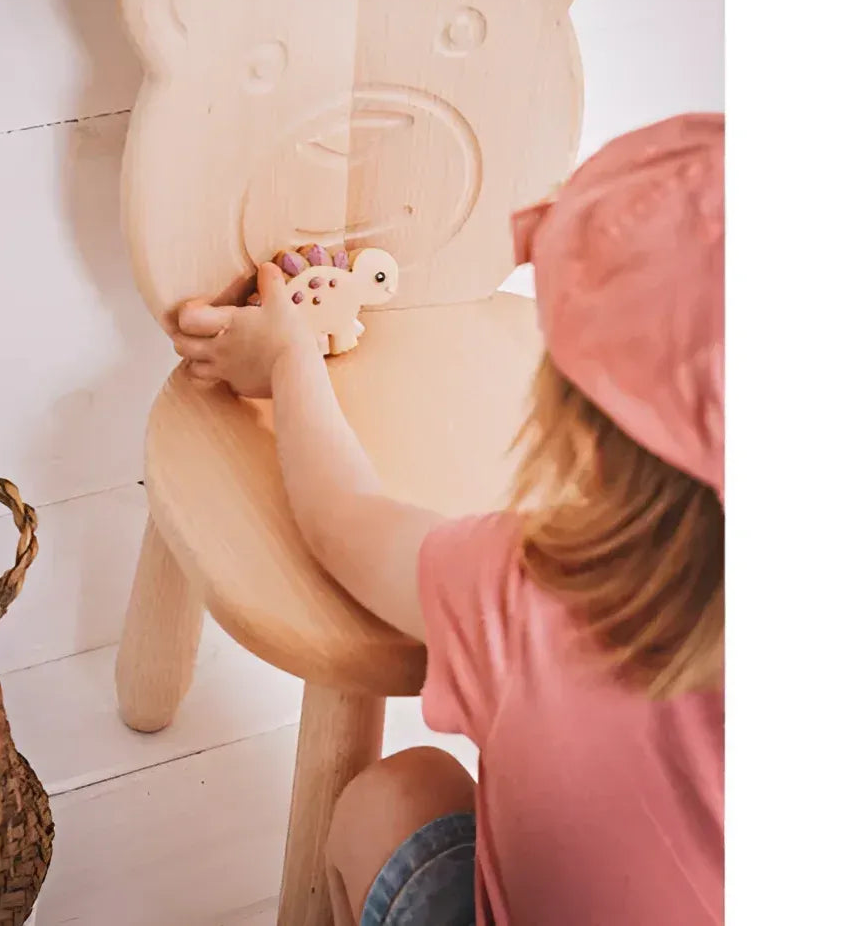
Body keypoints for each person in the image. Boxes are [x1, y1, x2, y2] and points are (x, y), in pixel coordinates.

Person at [172, 113, 724, 926]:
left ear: (578, 423)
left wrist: (289, 360)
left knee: (393, 797)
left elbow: (343, 519)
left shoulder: (529, 599)